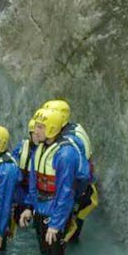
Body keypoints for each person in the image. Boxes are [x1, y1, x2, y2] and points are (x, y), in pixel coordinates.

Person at [18, 108, 79, 255]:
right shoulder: (40, 148)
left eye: (40, 127)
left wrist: (56, 224)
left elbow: (65, 192)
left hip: (55, 209)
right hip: (40, 206)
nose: (34, 130)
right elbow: (33, 181)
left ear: (51, 129)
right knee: (44, 249)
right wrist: (29, 207)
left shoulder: (65, 154)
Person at [43, 99, 98, 242]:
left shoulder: (68, 142)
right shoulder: (75, 128)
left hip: (79, 190)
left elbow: (73, 179)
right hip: (83, 187)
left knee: (66, 234)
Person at [10, 115, 40, 227]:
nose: (37, 137)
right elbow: (13, 159)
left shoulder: (46, 150)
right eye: (34, 134)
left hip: (37, 188)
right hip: (22, 186)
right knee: (18, 217)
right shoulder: (22, 146)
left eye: (38, 134)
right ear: (30, 134)